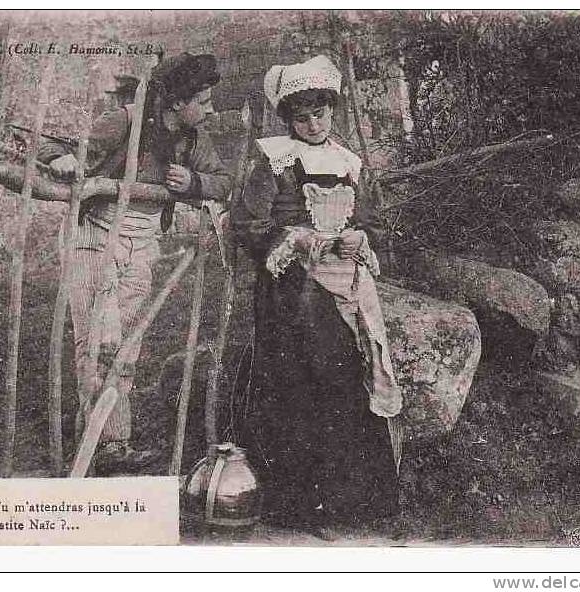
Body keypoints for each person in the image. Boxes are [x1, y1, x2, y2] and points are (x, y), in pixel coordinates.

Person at [231, 55, 403, 536]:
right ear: (287, 119)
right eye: (302, 116)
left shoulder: (350, 162)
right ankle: (306, 509)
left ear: (333, 113)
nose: (312, 124)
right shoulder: (273, 161)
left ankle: (356, 504)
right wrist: (296, 238)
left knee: (350, 384)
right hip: (292, 292)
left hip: (346, 284)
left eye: (320, 113)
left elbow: (371, 221)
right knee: (301, 390)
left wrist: (360, 238)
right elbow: (248, 225)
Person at [38, 53, 231, 476]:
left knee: (127, 344)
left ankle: (114, 445)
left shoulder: (194, 138)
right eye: (204, 99)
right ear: (177, 102)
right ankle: (95, 445)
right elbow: (56, 147)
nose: (211, 108)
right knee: (97, 342)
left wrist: (194, 183)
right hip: (95, 236)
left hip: (143, 242)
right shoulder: (125, 120)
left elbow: (224, 181)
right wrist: (61, 161)